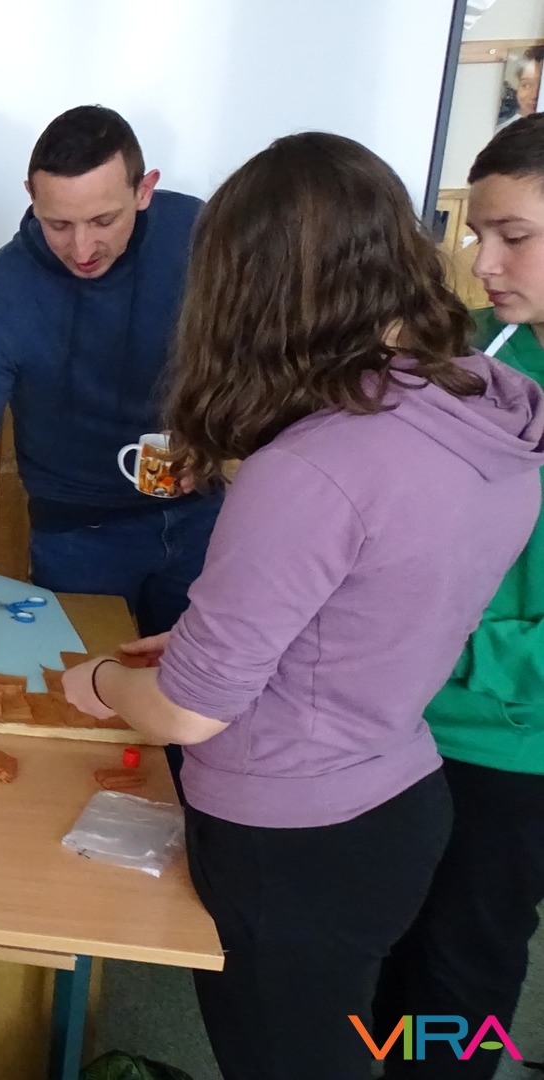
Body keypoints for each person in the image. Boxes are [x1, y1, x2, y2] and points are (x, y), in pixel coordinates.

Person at [58, 133, 544, 1080]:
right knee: (379, 1026)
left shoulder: (313, 467)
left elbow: (191, 711)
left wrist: (105, 680)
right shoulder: (488, 414)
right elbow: (374, 606)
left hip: (293, 838)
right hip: (399, 792)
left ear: (254, 289)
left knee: (298, 1050)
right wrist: (220, 642)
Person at [0, 105, 221, 686]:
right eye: (59, 224)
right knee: (89, 701)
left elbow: (264, 355)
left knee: (203, 698)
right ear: (31, 196)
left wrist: (221, 443)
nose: (83, 247)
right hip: (79, 537)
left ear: (145, 190)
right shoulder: (3, 294)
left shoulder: (201, 236)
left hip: (204, 516)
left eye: (103, 220)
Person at [372, 114, 544, 1080]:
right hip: (406, 718)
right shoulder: (477, 349)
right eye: (477, 234)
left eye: (513, 236)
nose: (482, 264)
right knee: (390, 943)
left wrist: (451, 648)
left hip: (512, 748)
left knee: (462, 966)